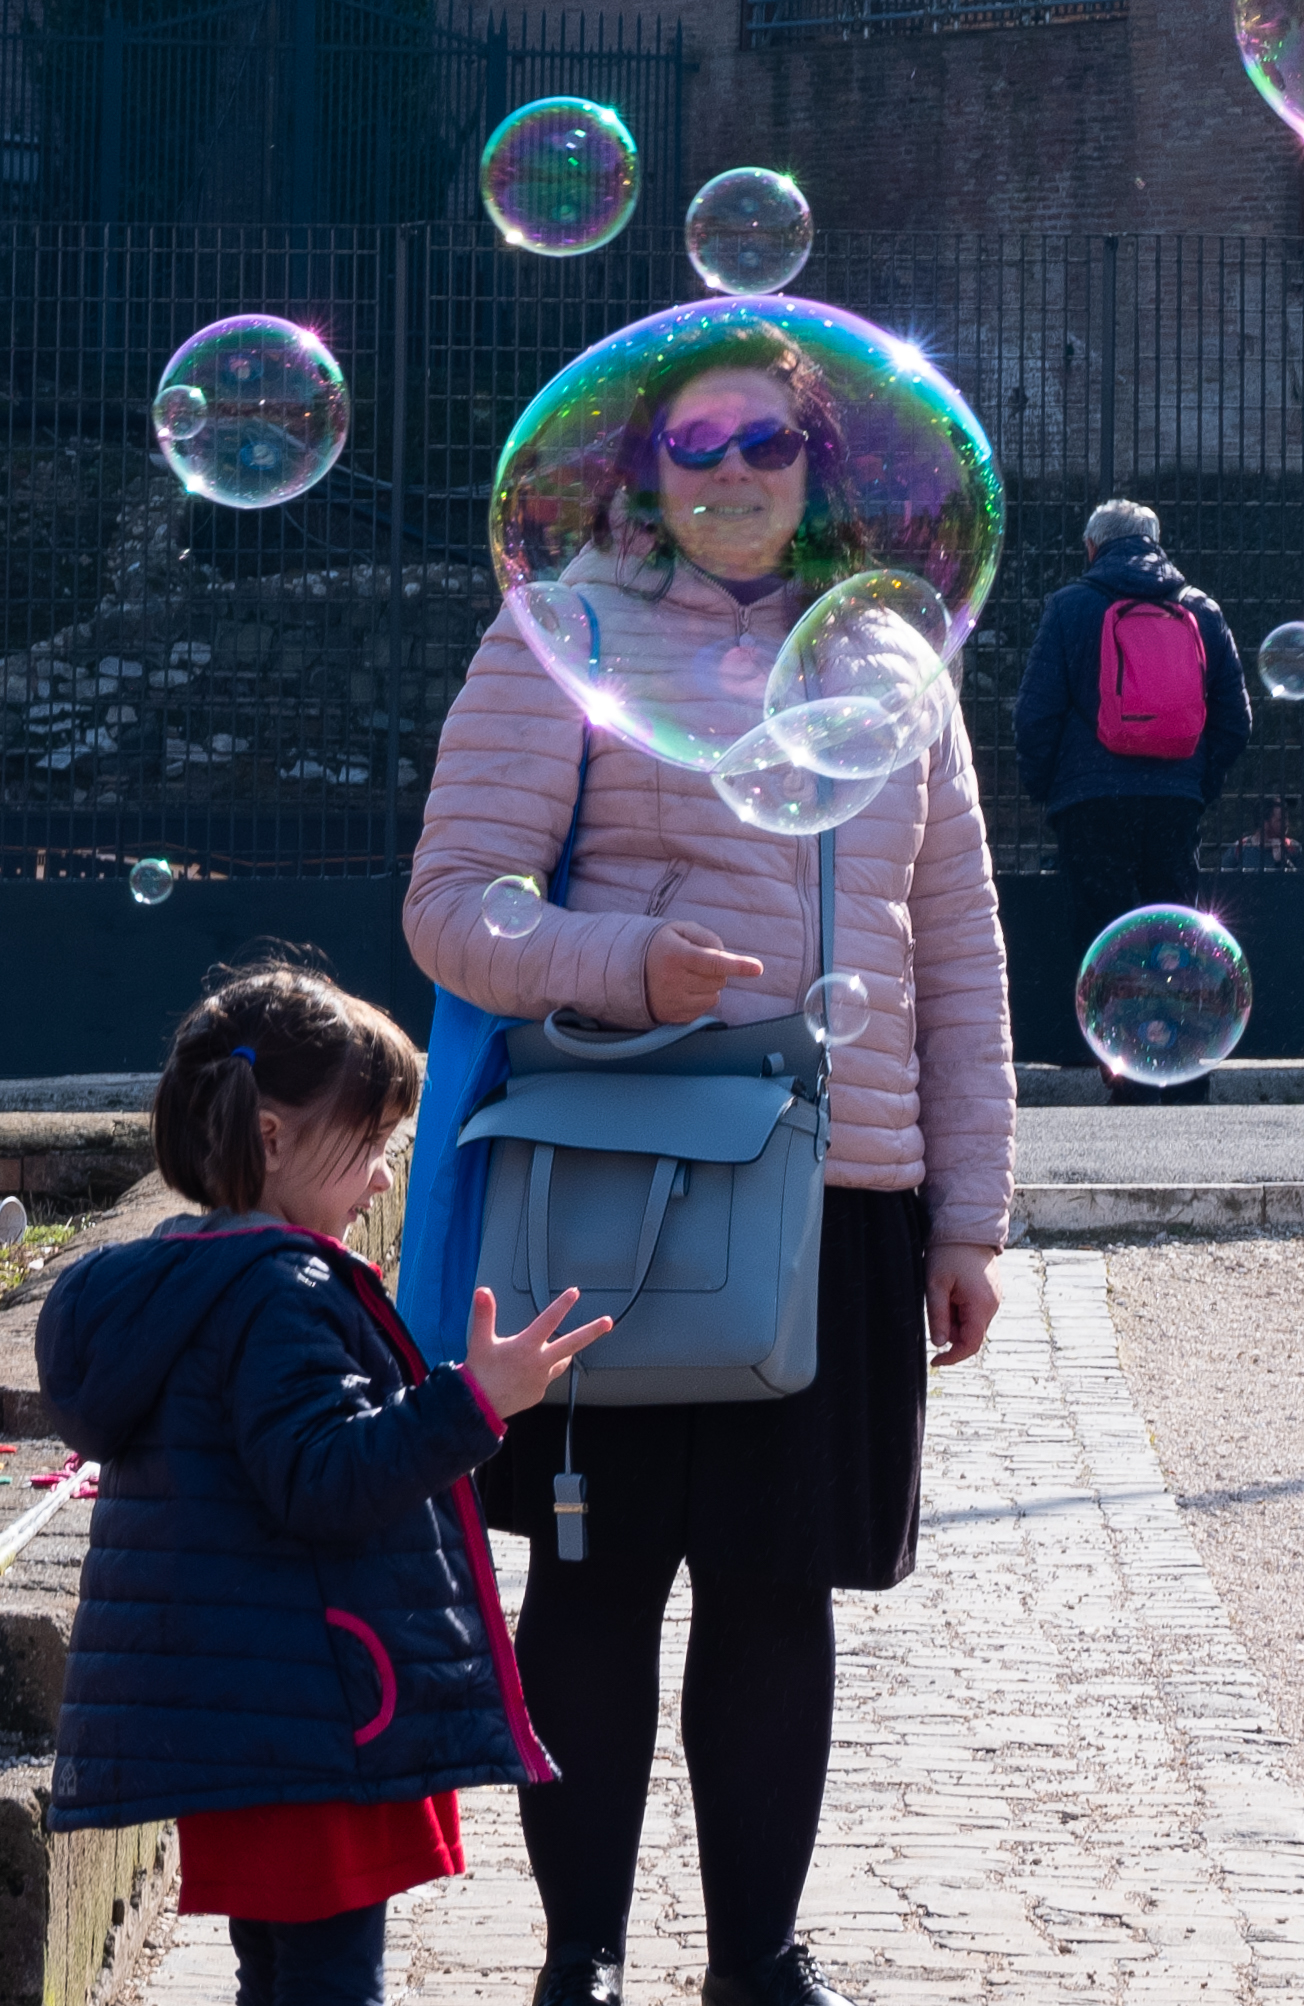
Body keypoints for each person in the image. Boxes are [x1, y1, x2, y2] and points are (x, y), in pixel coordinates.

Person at [405, 319, 1015, 2006]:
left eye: (767, 443)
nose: (734, 473)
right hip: (625, 1179)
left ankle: (757, 1961)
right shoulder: (569, 633)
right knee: (593, 1581)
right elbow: (451, 906)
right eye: (697, 445)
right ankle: (579, 1956)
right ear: (645, 471)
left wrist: (967, 1218)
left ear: (817, 466)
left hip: (841, 1196)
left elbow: (956, 954)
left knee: (775, 1593)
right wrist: (627, 964)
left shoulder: (894, 662)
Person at [35, 961, 609, 2006]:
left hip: (245, 1711)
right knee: (331, 1981)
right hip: (312, 1711)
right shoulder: (280, 1293)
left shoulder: (185, 1277)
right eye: (372, 1143)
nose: (384, 1180)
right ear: (271, 1137)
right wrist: (474, 1401)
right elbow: (324, 1477)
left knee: (278, 1973)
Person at [1014, 498, 1251, 1101]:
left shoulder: (1069, 607)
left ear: (1092, 548)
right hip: (1174, 801)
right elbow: (1235, 721)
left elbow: (1036, 715)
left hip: (1090, 800)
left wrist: (1050, 788)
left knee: (1108, 938)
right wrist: (1195, 785)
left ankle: (1130, 1078)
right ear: (1156, 542)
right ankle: (1187, 1074)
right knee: (1178, 939)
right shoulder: (1200, 608)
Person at [1221, 795, 1300, 871]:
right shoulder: (1239, 849)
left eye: (1286, 818)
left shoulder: (1293, 848)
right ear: (1264, 823)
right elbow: (1222, 878)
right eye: (1281, 820)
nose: (1287, 824)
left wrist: (1282, 862)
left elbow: (1300, 878)